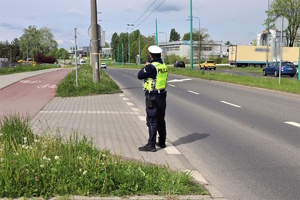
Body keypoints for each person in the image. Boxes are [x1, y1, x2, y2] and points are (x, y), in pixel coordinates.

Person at [137, 45, 168, 152]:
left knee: (151, 120)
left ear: (150, 56)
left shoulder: (151, 67)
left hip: (152, 96)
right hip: (162, 96)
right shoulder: (163, 66)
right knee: (160, 119)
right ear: (160, 55)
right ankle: (162, 142)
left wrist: (146, 65)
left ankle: (151, 144)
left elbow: (140, 75)